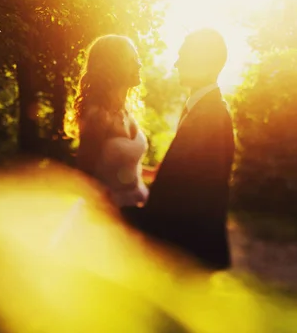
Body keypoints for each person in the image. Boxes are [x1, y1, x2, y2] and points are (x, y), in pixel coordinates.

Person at [121, 28, 235, 271]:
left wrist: (127, 215)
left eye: (182, 57)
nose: (176, 64)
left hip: (187, 254)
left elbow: (188, 197)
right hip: (188, 248)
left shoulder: (210, 116)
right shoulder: (203, 109)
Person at [72, 35, 148, 208]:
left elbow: (125, 166)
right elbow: (85, 177)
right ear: (112, 67)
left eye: (137, 59)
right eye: (131, 60)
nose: (139, 64)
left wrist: (155, 172)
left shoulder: (127, 110)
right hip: (112, 213)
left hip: (140, 201)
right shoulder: (97, 116)